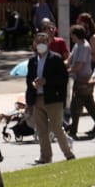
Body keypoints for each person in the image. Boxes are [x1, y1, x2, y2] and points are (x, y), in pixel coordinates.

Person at [25, 31, 75, 164]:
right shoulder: (32, 61)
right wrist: (33, 85)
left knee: (57, 127)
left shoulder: (56, 59)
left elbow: (63, 79)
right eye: (38, 42)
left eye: (44, 42)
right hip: (37, 98)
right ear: (35, 44)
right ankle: (45, 157)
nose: (41, 44)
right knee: (41, 130)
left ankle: (68, 154)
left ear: (48, 43)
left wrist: (46, 81)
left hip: (53, 99)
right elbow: (29, 79)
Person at [66, 24, 95, 139]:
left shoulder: (84, 46)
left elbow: (79, 65)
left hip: (83, 79)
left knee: (75, 106)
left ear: (76, 35)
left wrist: (67, 71)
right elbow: (70, 59)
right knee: (89, 104)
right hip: (79, 78)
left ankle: (73, 130)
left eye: (72, 35)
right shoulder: (77, 45)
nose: (71, 37)